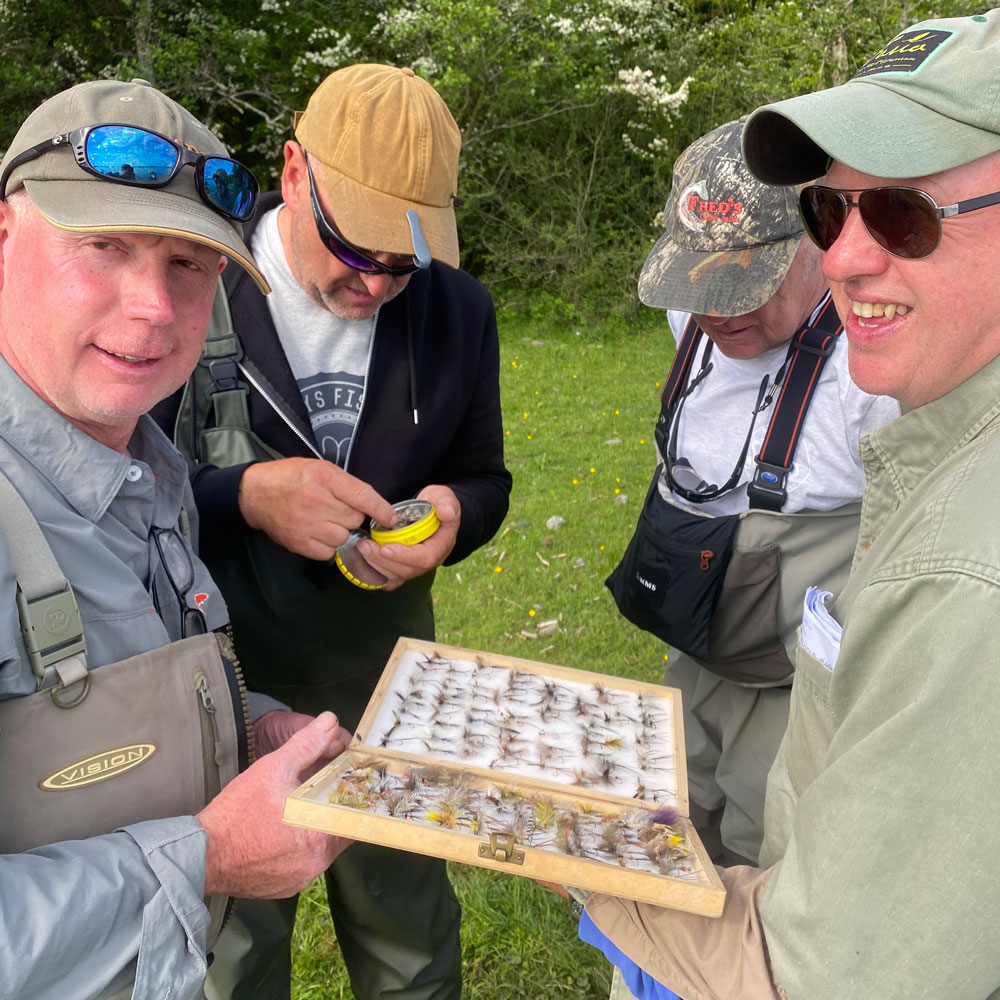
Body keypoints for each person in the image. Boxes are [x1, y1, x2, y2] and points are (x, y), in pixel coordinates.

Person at [582, 10, 1000, 999]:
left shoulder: (955, 563)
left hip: (799, 665)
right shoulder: (713, 322)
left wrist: (595, 887)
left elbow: (841, 961)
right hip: (699, 635)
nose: (853, 255)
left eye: (901, 213)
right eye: (830, 212)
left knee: (774, 833)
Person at [154, 64, 511, 1000]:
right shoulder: (192, 283)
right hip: (214, 684)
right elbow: (113, 488)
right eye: (357, 246)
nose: (378, 280)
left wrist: (456, 519)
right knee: (233, 950)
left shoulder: (459, 312)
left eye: (406, 256)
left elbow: (486, 478)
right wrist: (242, 496)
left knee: (409, 938)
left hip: (382, 682)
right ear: (295, 172)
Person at [0, 78, 353, 1000]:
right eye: (104, 247)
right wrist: (208, 855)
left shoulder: (147, 468)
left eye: (188, 265)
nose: (155, 308)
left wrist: (246, 726)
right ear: (3, 242)